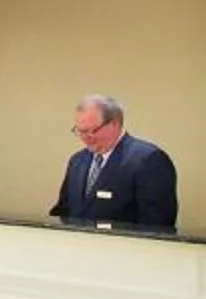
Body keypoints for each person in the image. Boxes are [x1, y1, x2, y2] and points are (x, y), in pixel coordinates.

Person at [49, 94, 177, 231]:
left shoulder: (149, 160)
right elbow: (63, 211)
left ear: (115, 123)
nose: (86, 138)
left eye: (92, 131)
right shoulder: (77, 161)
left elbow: (157, 224)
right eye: (80, 131)